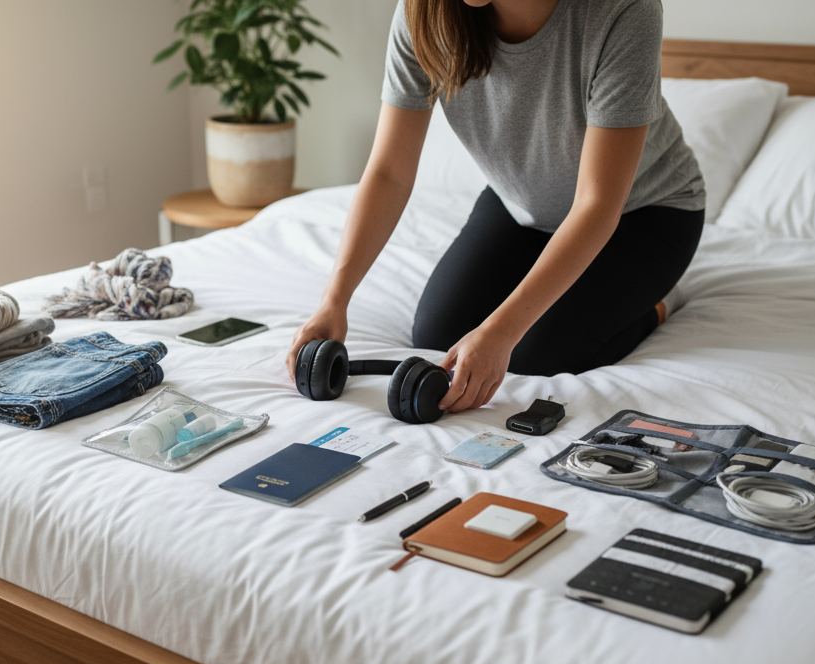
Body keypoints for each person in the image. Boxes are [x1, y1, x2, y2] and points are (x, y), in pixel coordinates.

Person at [286, 0, 705, 412]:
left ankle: (659, 301)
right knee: (438, 334)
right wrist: (334, 301)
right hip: (520, 202)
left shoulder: (625, 10)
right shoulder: (426, 12)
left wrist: (501, 333)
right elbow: (389, 173)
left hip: (645, 214)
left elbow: (596, 204)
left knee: (537, 356)